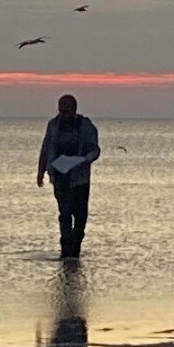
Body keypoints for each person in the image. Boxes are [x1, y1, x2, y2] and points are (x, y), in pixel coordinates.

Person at [36, 94, 101, 259]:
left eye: (67, 106)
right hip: (59, 176)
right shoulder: (53, 125)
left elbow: (95, 150)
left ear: (74, 108)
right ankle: (66, 253)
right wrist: (41, 171)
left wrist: (85, 159)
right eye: (61, 106)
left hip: (79, 178)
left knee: (80, 216)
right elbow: (46, 148)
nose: (63, 110)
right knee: (64, 214)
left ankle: (74, 252)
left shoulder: (85, 126)